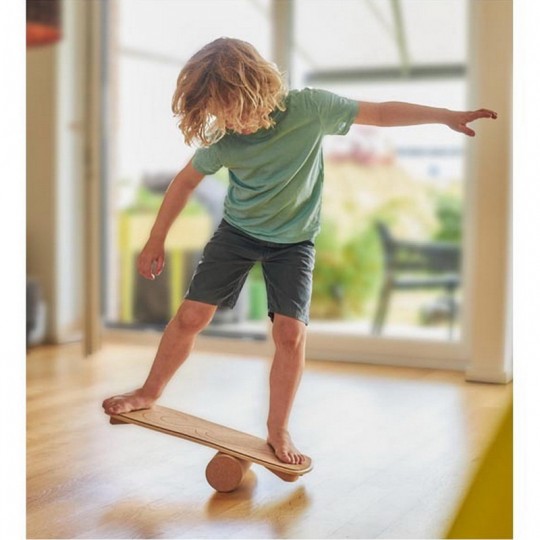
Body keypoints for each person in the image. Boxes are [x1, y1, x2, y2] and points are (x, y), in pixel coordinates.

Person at [102, 37, 497, 464]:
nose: (235, 124)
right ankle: (148, 392)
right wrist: (156, 238)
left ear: (259, 88)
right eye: (222, 116)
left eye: (240, 111)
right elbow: (184, 182)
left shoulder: (309, 108)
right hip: (238, 232)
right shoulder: (226, 143)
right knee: (192, 316)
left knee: (290, 333)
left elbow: (380, 113)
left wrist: (446, 117)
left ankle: (278, 429)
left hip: (294, 241)